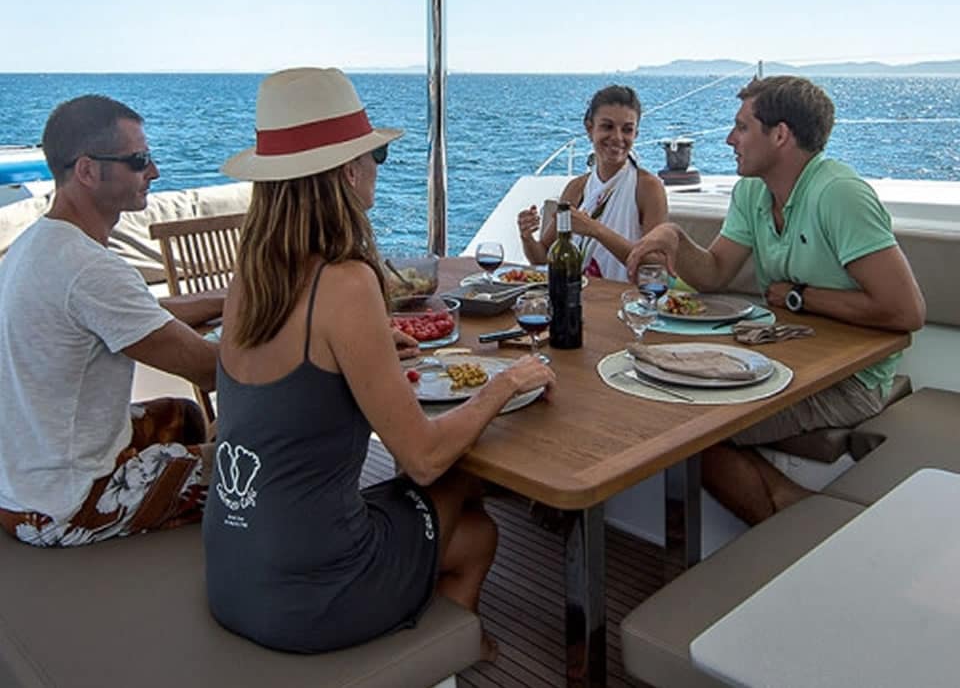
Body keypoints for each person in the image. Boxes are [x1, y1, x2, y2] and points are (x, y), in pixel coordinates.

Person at [203, 67, 554, 657]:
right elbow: (421, 458)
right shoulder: (345, 283)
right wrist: (505, 385)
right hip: (311, 595)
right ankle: (445, 655)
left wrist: (366, 351)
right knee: (475, 522)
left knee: (451, 513)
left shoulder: (251, 278)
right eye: (377, 158)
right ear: (347, 171)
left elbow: (294, 375)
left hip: (234, 569)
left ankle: (454, 640)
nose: (375, 171)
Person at [626, 75, 926, 524]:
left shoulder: (838, 194)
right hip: (788, 358)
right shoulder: (752, 190)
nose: (730, 138)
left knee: (688, 431)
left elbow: (907, 312)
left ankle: (798, 529)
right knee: (667, 407)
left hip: (853, 380)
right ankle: (794, 509)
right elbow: (714, 274)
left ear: (780, 135)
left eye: (742, 127)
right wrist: (673, 236)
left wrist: (800, 298)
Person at [0, 95, 221, 546]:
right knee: (265, 465)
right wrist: (316, 339)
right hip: (67, 505)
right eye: (139, 161)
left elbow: (138, 311)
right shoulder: (90, 269)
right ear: (86, 171)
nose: (153, 172)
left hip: (22, 480)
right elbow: (212, 370)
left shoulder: (38, 245)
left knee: (185, 416)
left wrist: (231, 297)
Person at [517, 85, 667, 281]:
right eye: (607, 127)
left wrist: (595, 230)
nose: (618, 137)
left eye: (627, 130)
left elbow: (656, 264)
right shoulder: (576, 189)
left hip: (626, 304)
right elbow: (544, 259)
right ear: (589, 129)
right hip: (579, 300)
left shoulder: (648, 188)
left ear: (636, 134)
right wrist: (527, 237)